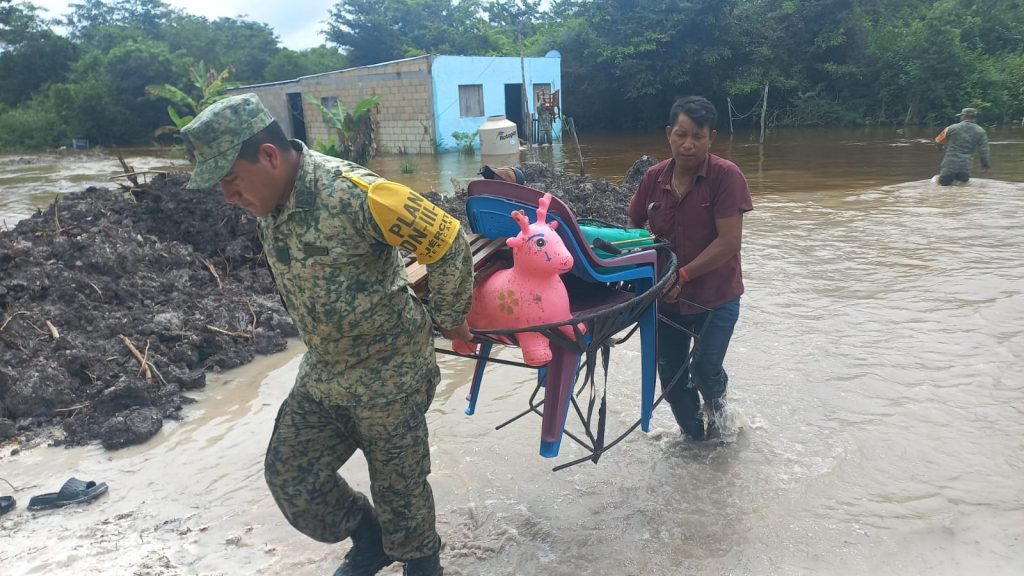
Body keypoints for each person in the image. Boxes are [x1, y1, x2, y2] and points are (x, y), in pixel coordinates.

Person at [181, 93, 474, 576]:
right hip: (325, 373)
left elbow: (445, 237)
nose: (228, 197)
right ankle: (370, 540)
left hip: (391, 373)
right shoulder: (268, 203)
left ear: (269, 156)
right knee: (291, 474)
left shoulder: (356, 194)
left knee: (401, 492)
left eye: (231, 180)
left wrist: (452, 316)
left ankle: (423, 566)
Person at [627, 96, 753, 441]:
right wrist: (638, 260)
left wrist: (681, 275)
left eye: (698, 136)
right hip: (667, 301)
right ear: (669, 133)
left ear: (712, 138)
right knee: (670, 381)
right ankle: (696, 443)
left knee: (705, 370)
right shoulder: (653, 178)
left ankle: (724, 432)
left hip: (716, 297)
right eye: (681, 135)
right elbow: (634, 225)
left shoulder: (726, 176)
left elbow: (729, 242)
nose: (688, 144)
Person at [933, 107, 991, 186]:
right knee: (962, 186)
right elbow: (984, 151)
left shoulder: (951, 128)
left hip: (949, 166)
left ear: (964, 116)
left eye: (961, 116)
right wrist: (985, 166)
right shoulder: (981, 131)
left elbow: (938, 141)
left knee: (943, 185)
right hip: (965, 167)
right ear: (974, 117)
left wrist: (940, 148)